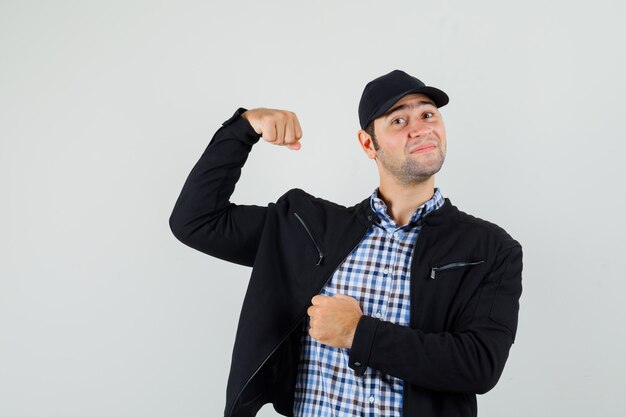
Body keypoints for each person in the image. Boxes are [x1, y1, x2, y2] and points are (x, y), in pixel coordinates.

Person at [169, 69, 523, 417]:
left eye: (428, 114)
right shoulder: (308, 228)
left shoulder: (489, 249)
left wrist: (358, 333)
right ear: (369, 144)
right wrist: (244, 128)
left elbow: (480, 365)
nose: (420, 128)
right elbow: (196, 221)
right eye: (398, 121)